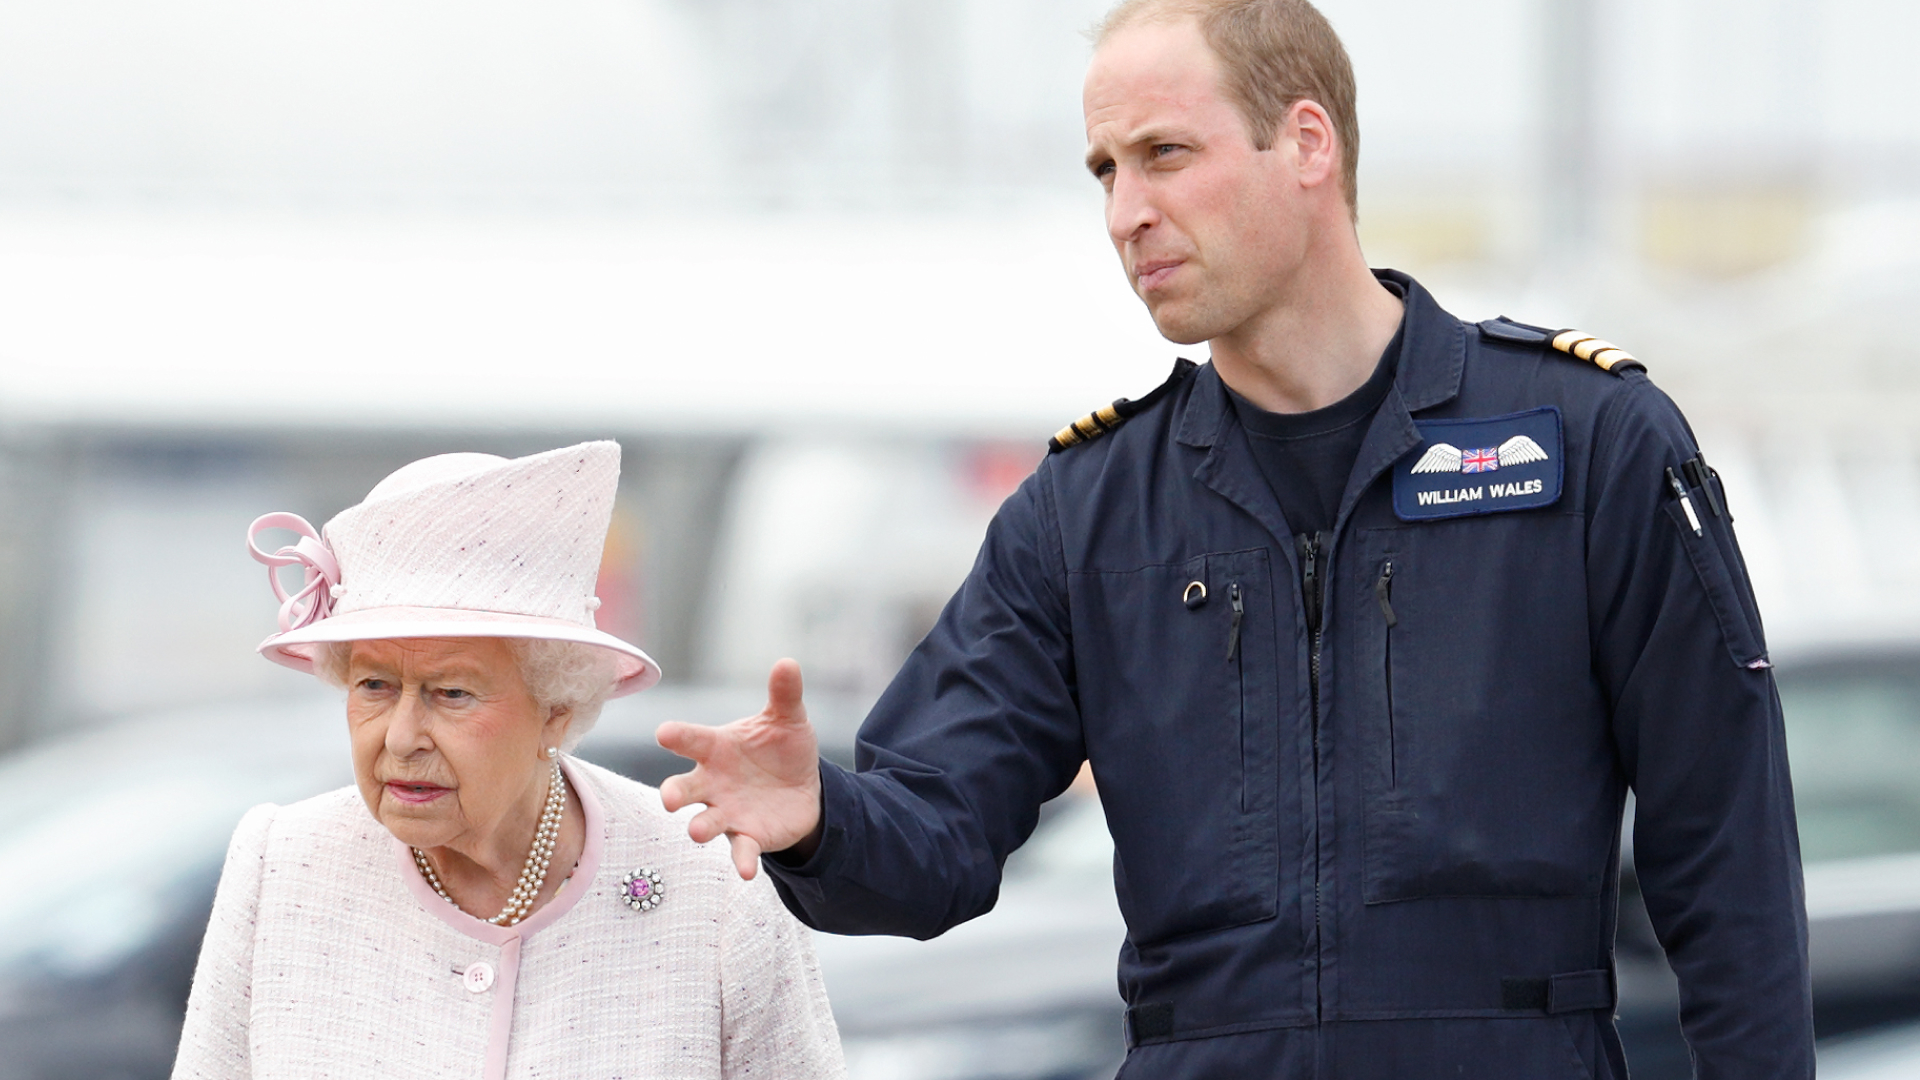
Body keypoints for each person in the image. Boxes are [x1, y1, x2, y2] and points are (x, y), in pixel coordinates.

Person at [657, 1, 1815, 1077]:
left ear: (1307, 144)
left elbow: (1728, 864)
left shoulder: (1590, 446)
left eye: (1164, 154)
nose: (1125, 212)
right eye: (1106, 171)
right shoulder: (1087, 513)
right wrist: (823, 820)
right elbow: (940, 837)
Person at [172, 442, 844, 1080]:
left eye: (452, 692)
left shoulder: (716, 889)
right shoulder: (281, 864)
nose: (402, 737)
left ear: (556, 706)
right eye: (374, 685)